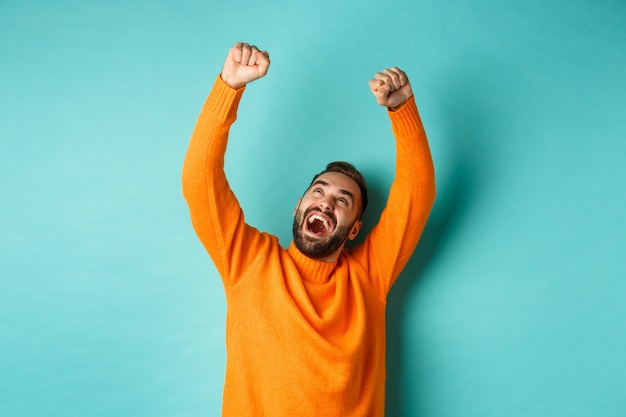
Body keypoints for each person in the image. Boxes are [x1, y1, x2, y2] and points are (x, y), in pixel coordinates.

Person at [182, 42, 435, 417]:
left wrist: (402, 110)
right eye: (318, 192)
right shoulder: (248, 261)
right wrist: (229, 87)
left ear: (353, 230)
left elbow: (417, 193)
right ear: (298, 206)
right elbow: (199, 180)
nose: (326, 203)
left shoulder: (369, 277)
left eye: (342, 201)